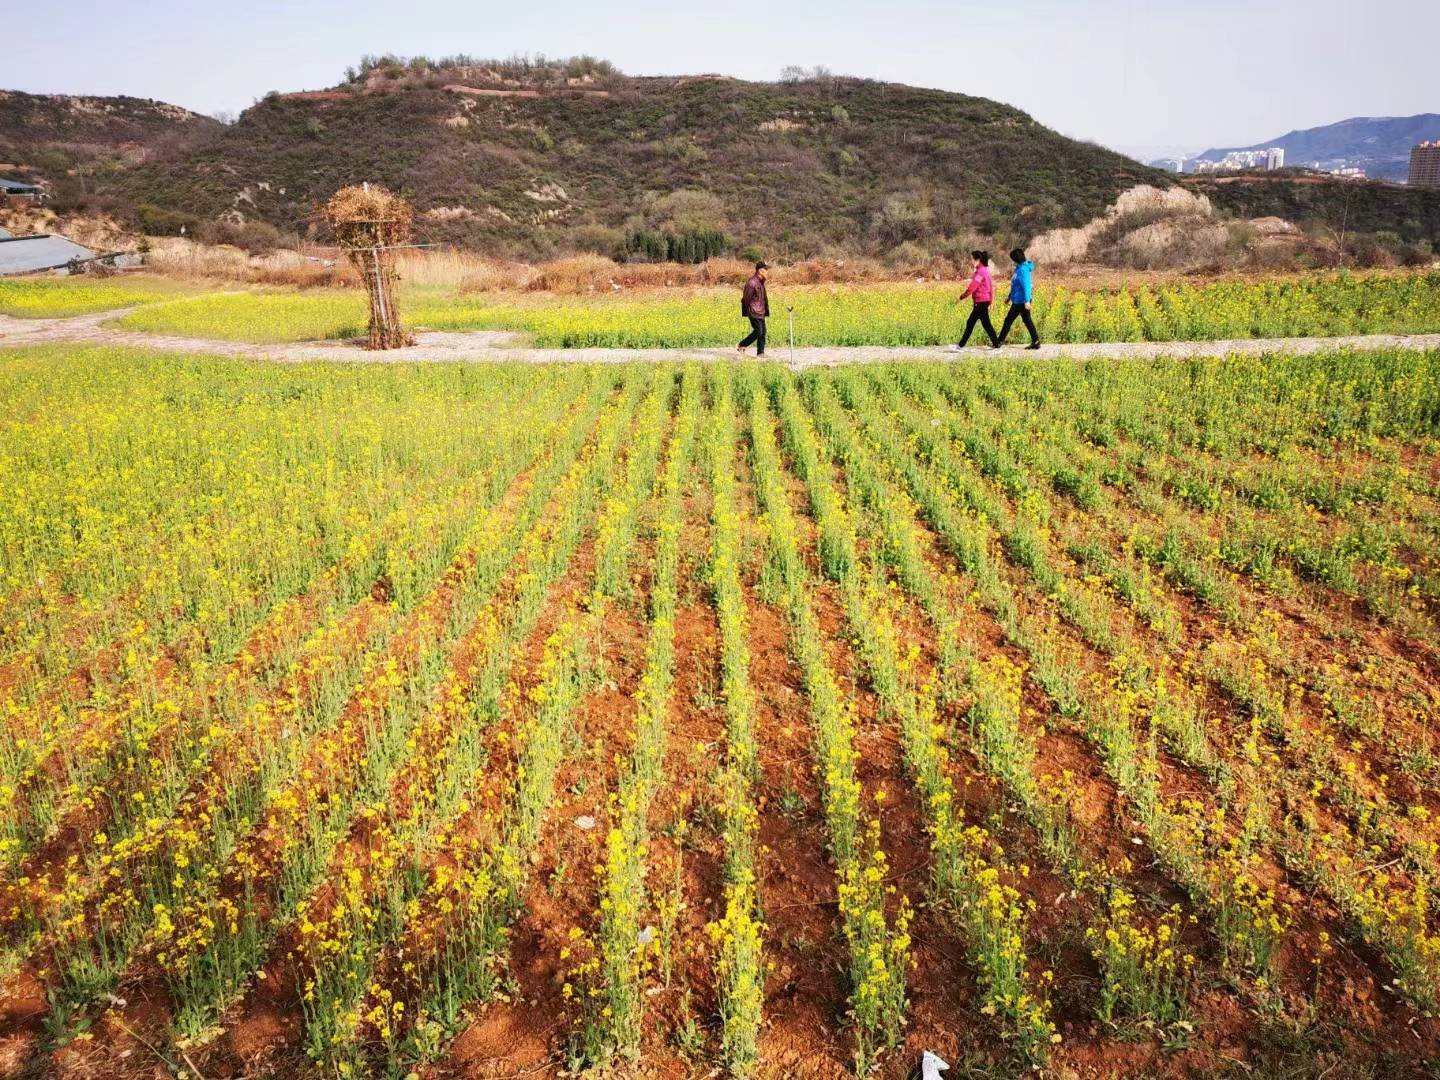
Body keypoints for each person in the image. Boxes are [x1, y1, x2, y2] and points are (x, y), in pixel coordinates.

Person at [951, 250, 1000, 349]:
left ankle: (961, 346)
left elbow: (972, 288)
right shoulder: (985, 270)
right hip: (983, 302)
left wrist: (961, 297)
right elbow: (991, 287)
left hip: (981, 302)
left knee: (981, 324)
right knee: (974, 323)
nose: (971, 261)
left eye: (972, 259)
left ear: (977, 260)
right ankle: (961, 345)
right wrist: (991, 301)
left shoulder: (980, 272)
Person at [998, 247, 1041, 349]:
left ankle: (999, 341)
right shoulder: (1020, 268)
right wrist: (1009, 297)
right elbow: (1015, 285)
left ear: (1015, 259)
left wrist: (1027, 301)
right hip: (1018, 299)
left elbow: (1026, 285)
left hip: (1021, 301)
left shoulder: (1022, 270)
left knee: (1008, 320)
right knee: (1027, 320)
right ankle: (1036, 341)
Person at [738, 261, 770, 356]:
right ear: (760, 270)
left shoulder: (761, 282)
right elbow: (746, 299)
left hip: (760, 311)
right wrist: (748, 311)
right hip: (753, 311)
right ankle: (741, 345)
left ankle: (760, 353)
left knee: (762, 332)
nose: (767, 271)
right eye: (766, 269)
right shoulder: (752, 282)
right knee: (758, 331)